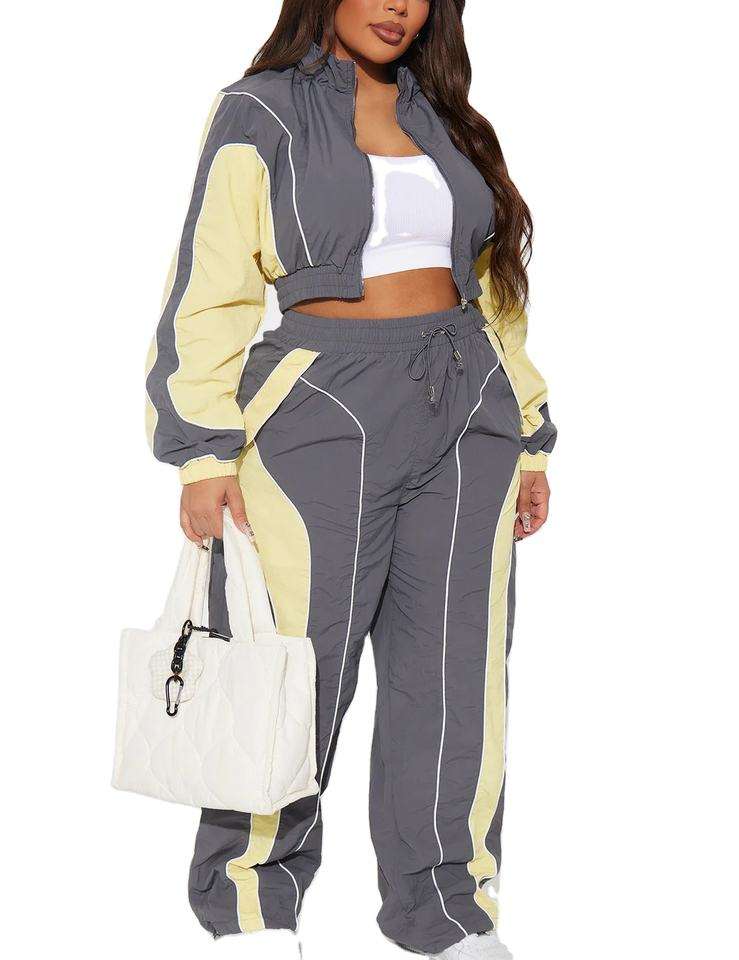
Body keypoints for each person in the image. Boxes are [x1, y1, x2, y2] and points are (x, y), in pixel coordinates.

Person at [144, 2, 556, 957]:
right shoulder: (262, 110)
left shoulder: (446, 119)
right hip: (319, 406)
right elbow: (208, 289)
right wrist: (202, 453)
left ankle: (445, 911)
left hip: (466, 403)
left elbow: (492, 292)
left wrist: (530, 433)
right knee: (290, 672)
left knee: (455, 676)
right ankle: (252, 907)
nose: (398, 4)